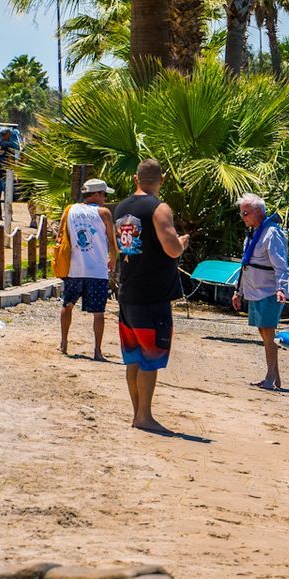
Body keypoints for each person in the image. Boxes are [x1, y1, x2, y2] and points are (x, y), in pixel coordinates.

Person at [113, 159, 189, 433]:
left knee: (133, 357)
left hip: (128, 291)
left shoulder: (121, 207)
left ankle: (138, 414)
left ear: (136, 178)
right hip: (152, 294)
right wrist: (181, 243)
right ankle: (144, 415)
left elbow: (121, 246)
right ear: (162, 179)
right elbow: (171, 249)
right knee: (148, 357)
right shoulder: (159, 208)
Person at [232, 193, 289, 390]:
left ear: (258, 212)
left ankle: (269, 378)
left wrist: (282, 288)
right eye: (242, 214)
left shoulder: (271, 233)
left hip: (268, 291)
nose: (243, 217)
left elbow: (281, 265)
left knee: (268, 333)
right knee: (263, 332)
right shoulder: (253, 233)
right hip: (253, 290)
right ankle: (276, 378)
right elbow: (245, 265)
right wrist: (237, 291)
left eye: (246, 213)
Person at [58, 178, 118, 359]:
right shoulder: (103, 213)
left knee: (67, 305)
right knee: (98, 312)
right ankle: (97, 351)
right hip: (97, 270)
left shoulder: (70, 210)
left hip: (74, 268)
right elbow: (112, 241)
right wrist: (113, 260)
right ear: (96, 194)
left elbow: (60, 235)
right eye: (104, 194)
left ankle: (64, 343)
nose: (105, 198)